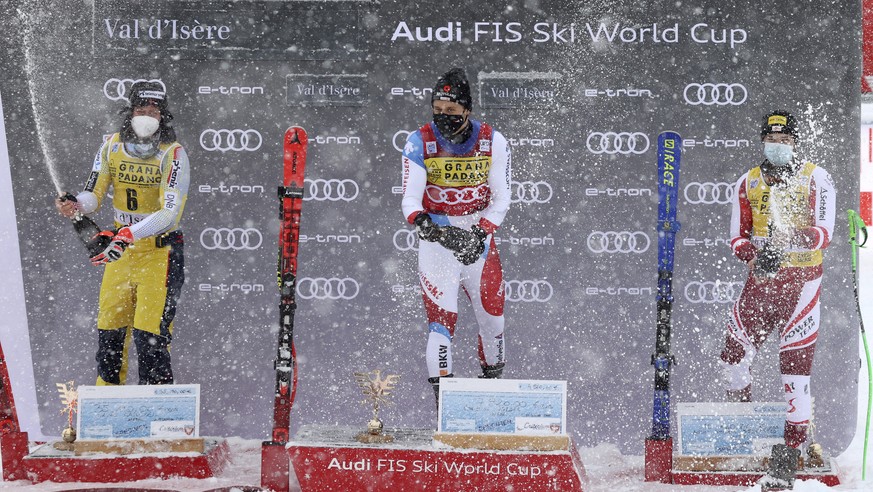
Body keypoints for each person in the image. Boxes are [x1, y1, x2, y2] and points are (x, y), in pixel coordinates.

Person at [719, 110, 835, 488]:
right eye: (773, 141)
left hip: (802, 286)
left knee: (794, 373)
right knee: (733, 358)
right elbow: (737, 237)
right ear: (763, 142)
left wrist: (787, 240)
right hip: (762, 284)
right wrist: (752, 255)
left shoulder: (817, 178)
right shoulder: (747, 182)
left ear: (796, 143)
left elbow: (824, 233)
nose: (779, 147)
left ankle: (790, 454)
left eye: (786, 142)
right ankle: (740, 427)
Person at [55, 81, 189, 386]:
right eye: (141, 109)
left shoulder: (174, 154)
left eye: (153, 111)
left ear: (162, 115)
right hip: (122, 252)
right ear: (130, 112)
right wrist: (75, 203)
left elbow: (170, 213)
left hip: (160, 253)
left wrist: (130, 233)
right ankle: (105, 408)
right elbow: (94, 194)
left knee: (149, 335)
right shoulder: (112, 145)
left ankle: (156, 419)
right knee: (110, 331)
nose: (146, 116)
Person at [401, 68, 512, 403]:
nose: (443, 117)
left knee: (493, 321)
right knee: (441, 323)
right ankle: (444, 408)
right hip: (437, 240)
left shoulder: (493, 140)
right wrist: (433, 230)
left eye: (451, 111)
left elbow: (502, 196)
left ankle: (491, 400)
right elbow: (410, 198)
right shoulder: (420, 140)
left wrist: (480, 233)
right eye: (437, 110)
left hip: (479, 238)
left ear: (467, 109)